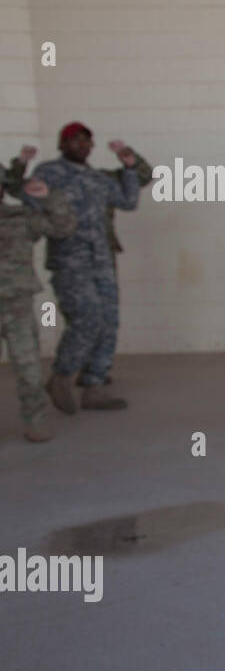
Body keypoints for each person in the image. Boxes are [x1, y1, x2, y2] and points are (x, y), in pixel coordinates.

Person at [31, 123, 151, 413]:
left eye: (87, 141)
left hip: (102, 260)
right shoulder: (48, 173)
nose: (82, 146)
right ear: (62, 145)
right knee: (87, 318)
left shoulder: (98, 178)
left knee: (108, 322)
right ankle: (61, 375)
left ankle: (94, 387)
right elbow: (31, 206)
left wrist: (131, 169)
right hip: (70, 262)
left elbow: (128, 201)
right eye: (75, 141)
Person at [0, 169, 75, 442]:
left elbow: (63, 227)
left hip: (16, 306)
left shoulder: (21, 217)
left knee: (29, 371)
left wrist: (49, 198)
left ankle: (36, 421)